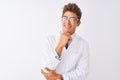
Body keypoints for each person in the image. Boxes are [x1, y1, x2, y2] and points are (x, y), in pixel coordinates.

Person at [40, 3, 89, 80]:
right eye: (65, 18)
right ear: (61, 19)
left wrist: (60, 77)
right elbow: (46, 69)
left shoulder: (83, 44)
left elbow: (82, 73)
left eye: (72, 19)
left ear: (78, 23)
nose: (67, 22)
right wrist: (60, 45)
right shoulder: (49, 39)